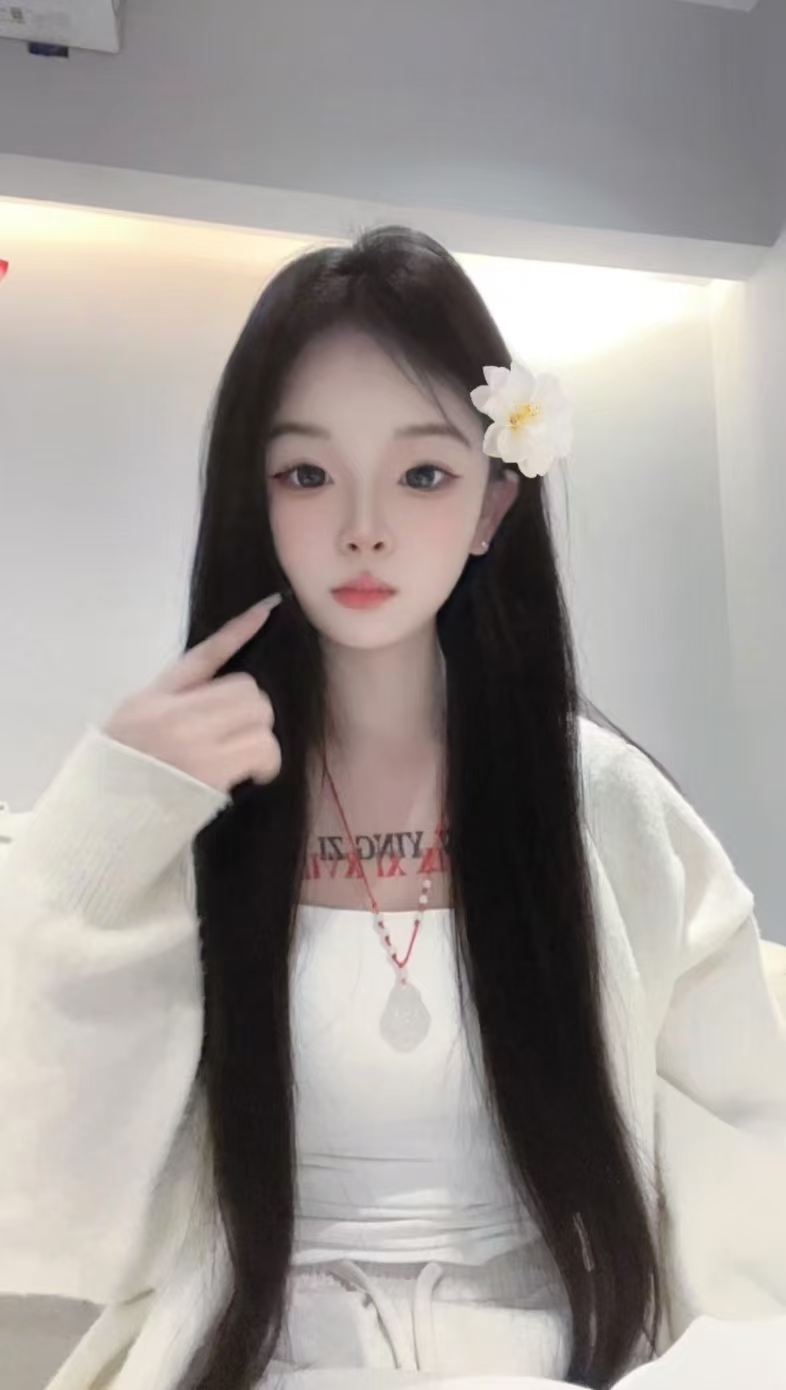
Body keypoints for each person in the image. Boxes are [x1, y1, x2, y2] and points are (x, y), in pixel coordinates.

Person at [1, 225, 785, 1390]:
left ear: (491, 507)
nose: (362, 525)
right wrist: (101, 824)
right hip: (263, 1349)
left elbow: (751, 1175)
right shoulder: (184, 817)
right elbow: (49, 1185)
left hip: (543, 1350)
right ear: (255, 499)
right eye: (306, 474)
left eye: (422, 474)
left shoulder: (607, 808)